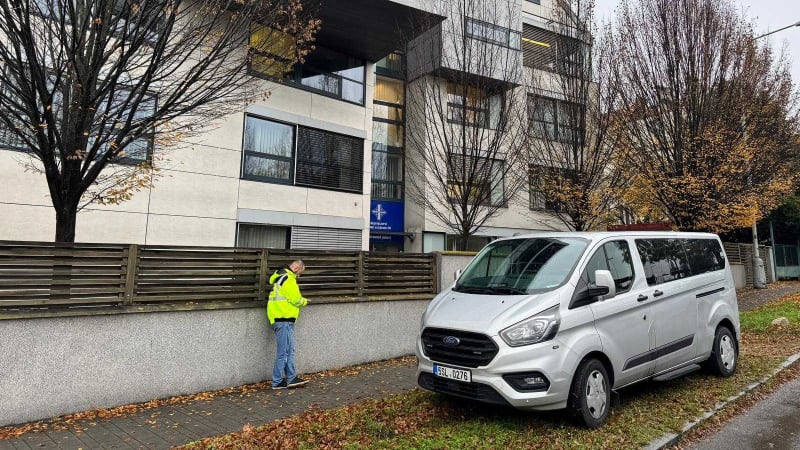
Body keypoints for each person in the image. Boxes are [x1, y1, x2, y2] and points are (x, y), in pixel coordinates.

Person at [267, 259, 310, 390]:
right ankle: (277, 381)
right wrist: (305, 301)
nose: (299, 276)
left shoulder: (280, 277)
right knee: (284, 352)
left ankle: (291, 378)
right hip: (283, 318)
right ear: (296, 268)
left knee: (289, 351)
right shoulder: (288, 279)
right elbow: (295, 299)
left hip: (283, 318)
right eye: (300, 273)